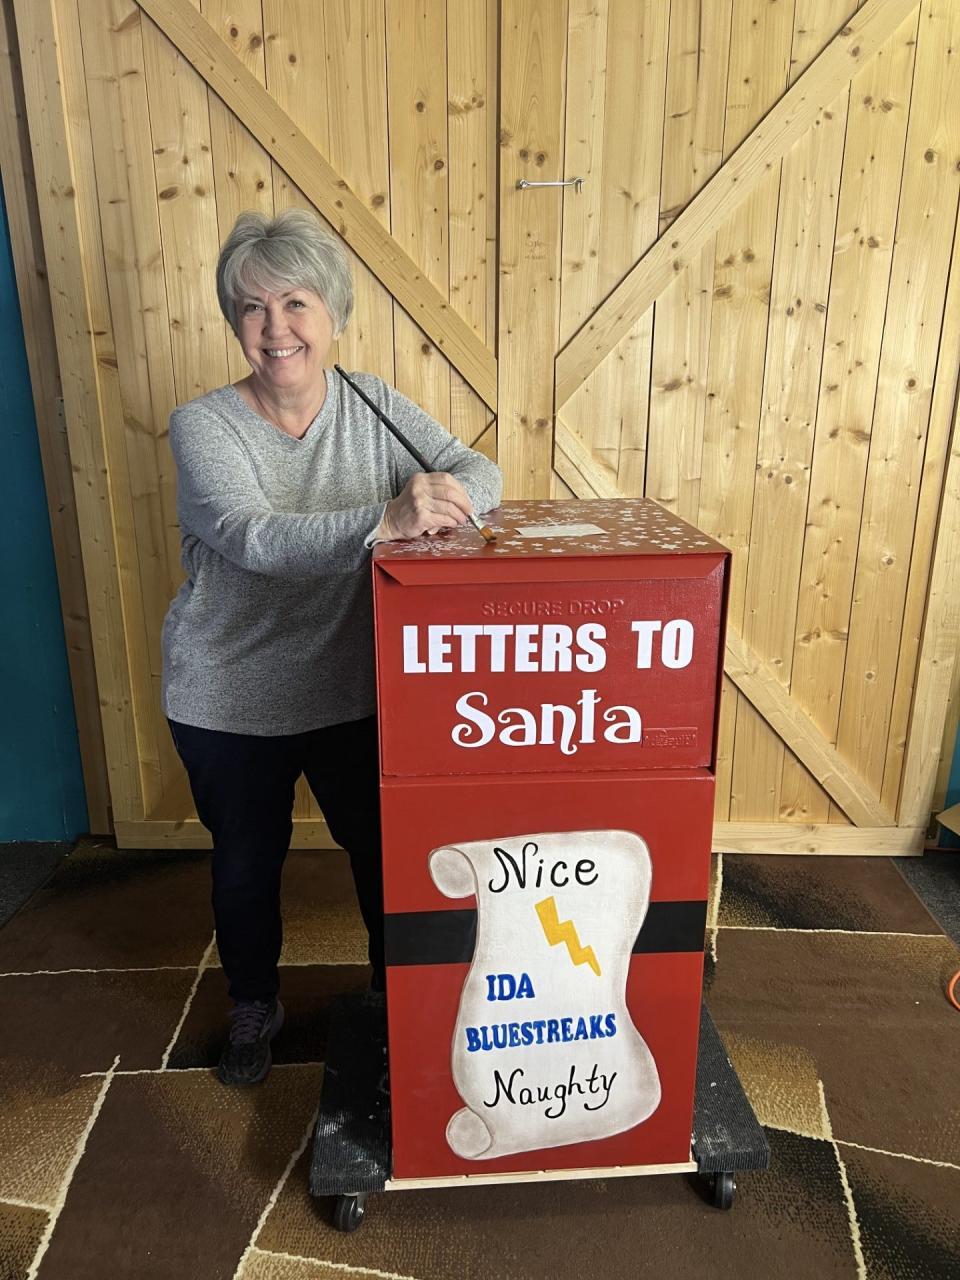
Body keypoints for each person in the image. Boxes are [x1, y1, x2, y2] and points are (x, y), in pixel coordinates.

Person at [161, 208, 502, 1086]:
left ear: (333, 315)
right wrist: (389, 518)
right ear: (234, 323)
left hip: (352, 688)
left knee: (382, 854)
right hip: (228, 698)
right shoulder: (203, 426)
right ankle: (253, 1004)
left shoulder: (374, 402)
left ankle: (401, 1001)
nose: (276, 329)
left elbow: (479, 471)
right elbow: (254, 538)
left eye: (296, 304)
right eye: (252, 308)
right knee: (246, 868)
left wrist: (448, 495)